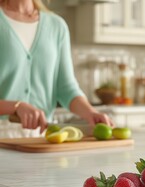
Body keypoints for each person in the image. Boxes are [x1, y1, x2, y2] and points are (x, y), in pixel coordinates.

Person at [0, 0, 114, 138]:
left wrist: (90, 112)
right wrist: (15, 107)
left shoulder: (57, 26)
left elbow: (66, 88)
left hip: (41, 136)